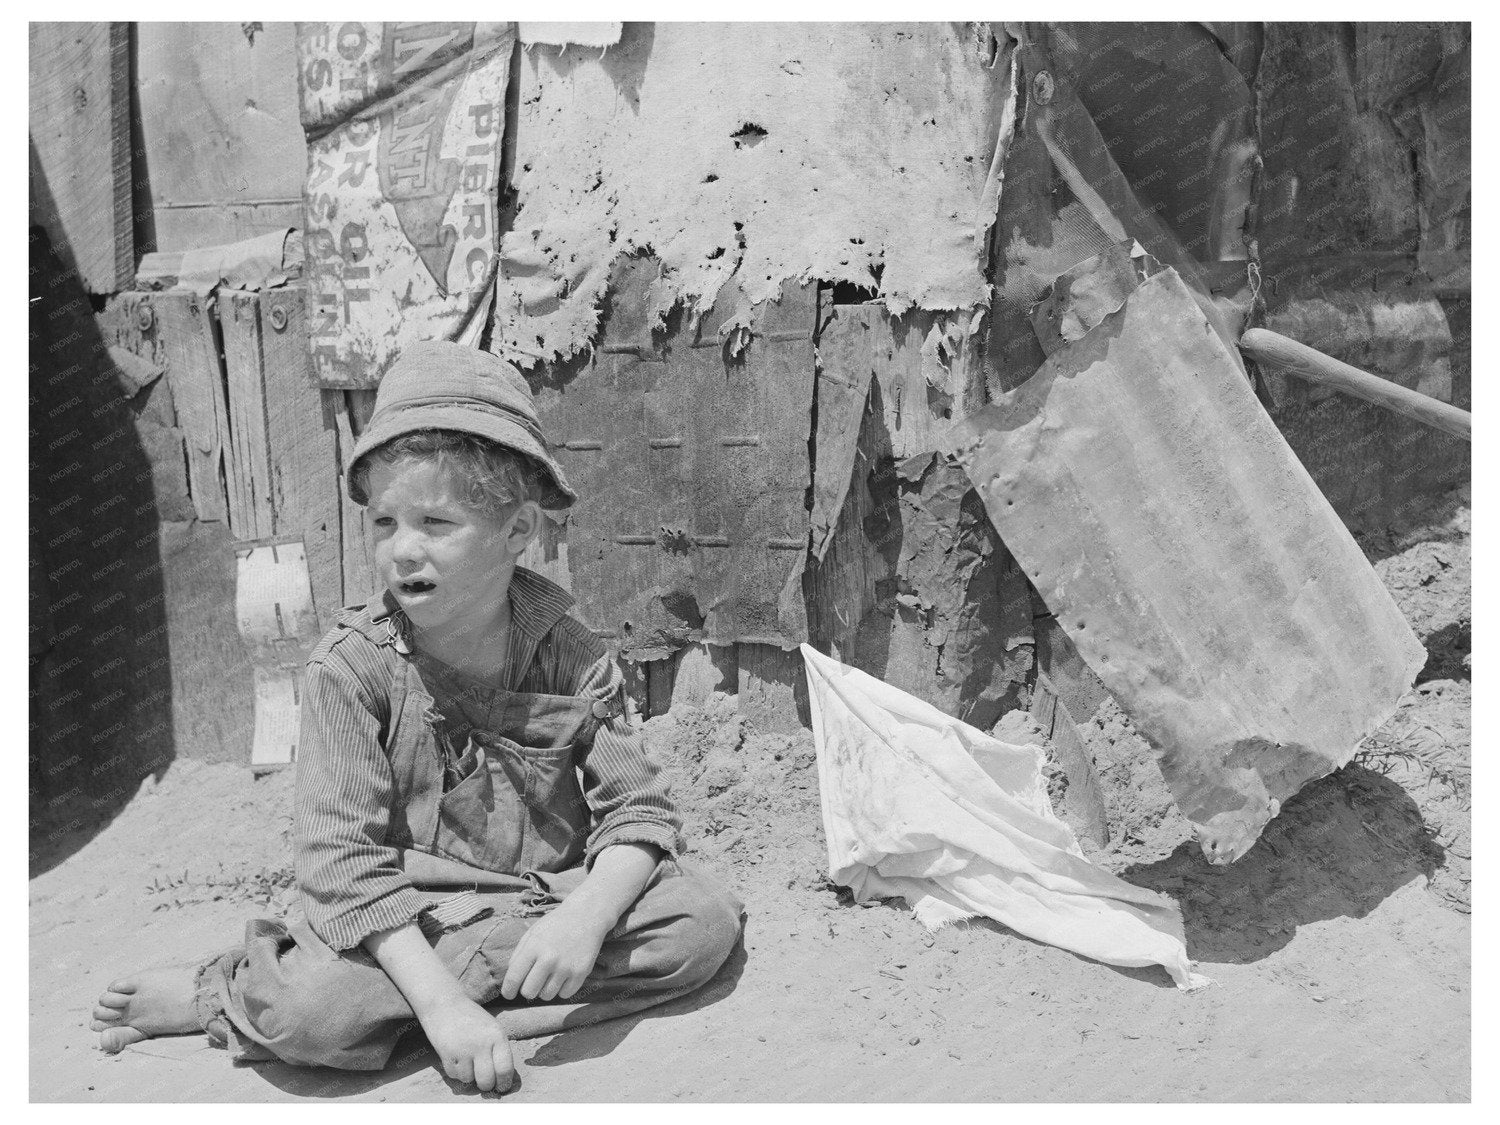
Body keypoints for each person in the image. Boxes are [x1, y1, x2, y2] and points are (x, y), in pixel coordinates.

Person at [90, 342, 744, 1092]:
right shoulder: (351, 669)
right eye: (384, 522)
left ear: (519, 530)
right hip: (400, 925)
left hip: (537, 902)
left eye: (435, 521)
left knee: (703, 921)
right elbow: (341, 865)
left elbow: (637, 811)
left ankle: (458, 1003)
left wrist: (585, 917)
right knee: (312, 1013)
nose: (403, 550)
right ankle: (229, 991)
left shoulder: (569, 650)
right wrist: (440, 1002)